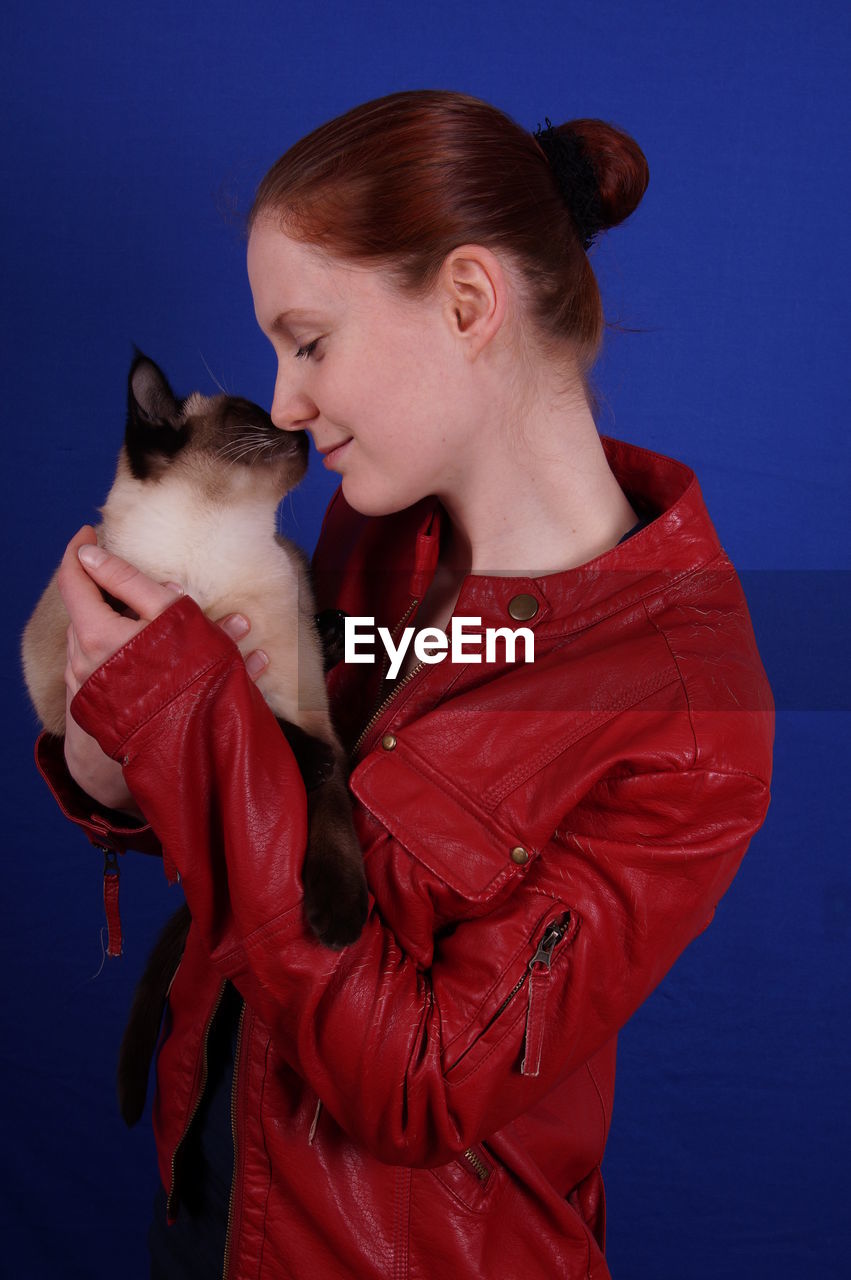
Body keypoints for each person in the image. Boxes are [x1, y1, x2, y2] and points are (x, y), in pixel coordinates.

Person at [35, 89, 774, 1279]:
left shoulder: (688, 720)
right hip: (214, 1203)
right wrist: (108, 760)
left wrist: (181, 710)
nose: (280, 402)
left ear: (468, 301)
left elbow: (420, 1085)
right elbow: (273, 798)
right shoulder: (378, 530)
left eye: (309, 340)